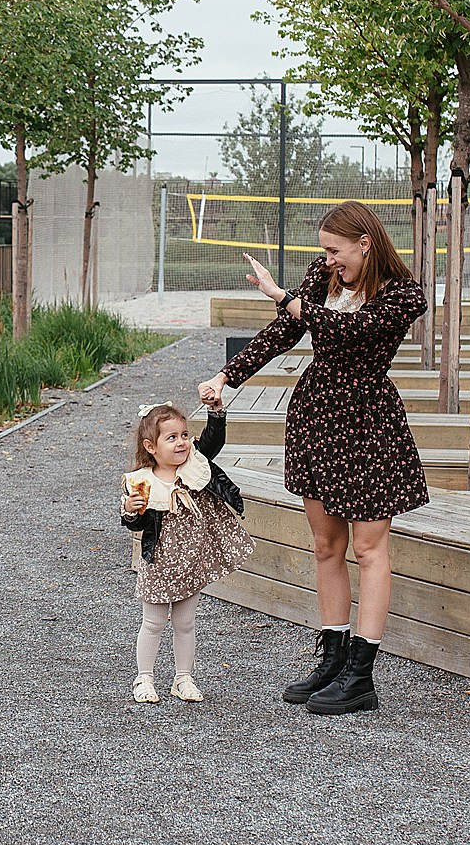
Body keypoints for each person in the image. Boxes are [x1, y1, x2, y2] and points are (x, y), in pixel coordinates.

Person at [199, 200, 427, 716]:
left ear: (365, 243)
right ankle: (332, 659)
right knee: (326, 545)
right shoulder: (322, 277)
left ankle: (361, 676)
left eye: (335, 250)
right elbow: (284, 332)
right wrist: (225, 377)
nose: (328, 261)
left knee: (369, 548)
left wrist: (284, 296)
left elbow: (351, 333)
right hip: (317, 415)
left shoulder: (403, 294)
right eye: (323, 251)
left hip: (368, 422)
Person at [117, 402, 252, 704]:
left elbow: (213, 440)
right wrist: (130, 510)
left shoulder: (195, 466)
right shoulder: (143, 482)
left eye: (184, 435)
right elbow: (136, 524)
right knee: (153, 623)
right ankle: (144, 678)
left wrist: (216, 413)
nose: (181, 442)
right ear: (151, 447)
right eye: (171, 438)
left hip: (192, 561)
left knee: (185, 623)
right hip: (159, 563)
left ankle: (183, 678)